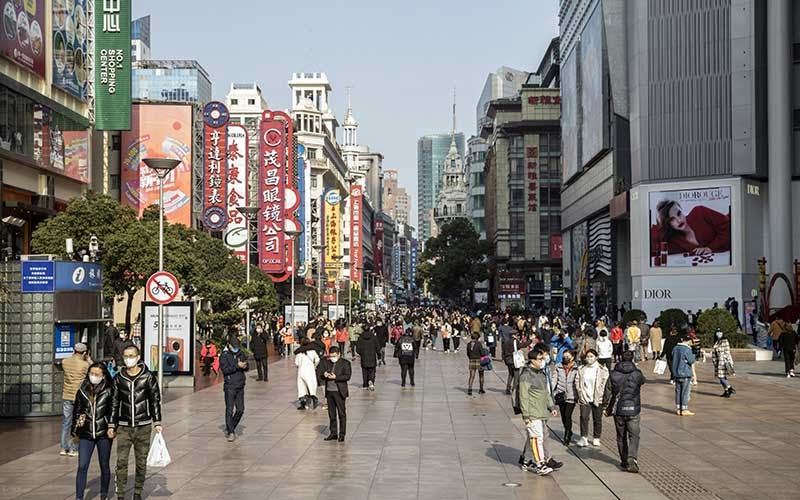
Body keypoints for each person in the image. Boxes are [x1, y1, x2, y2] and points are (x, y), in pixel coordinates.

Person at [110, 345, 162, 500]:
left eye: (131, 355)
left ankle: (137, 492)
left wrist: (157, 421)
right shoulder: (119, 378)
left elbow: (155, 400)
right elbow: (114, 403)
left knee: (141, 462)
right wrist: (112, 424)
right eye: (126, 356)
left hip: (143, 425)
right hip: (124, 427)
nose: (128, 359)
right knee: (121, 462)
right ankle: (120, 494)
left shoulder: (148, 377)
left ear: (138, 357)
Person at [515, 346, 561, 475]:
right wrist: (526, 415)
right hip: (532, 412)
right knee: (537, 438)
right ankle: (540, 464)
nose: (542, 361)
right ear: (532, 360)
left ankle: (526, 461)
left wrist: (551, 406)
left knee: (533, 438)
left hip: (541, 411)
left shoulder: (541, 373)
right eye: (540, 359)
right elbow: (523, 396)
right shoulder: (526, 375)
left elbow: (546, 393)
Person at [72, 362, 114, 500]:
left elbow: (113, 410)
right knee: (82, 465)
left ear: (103, 375)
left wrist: (112, 426)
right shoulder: (82, 390)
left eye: (97, 374)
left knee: (104, 465)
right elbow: (76, 411)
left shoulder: (109, 390)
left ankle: (104, 494)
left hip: (103, 433)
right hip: (86, 433)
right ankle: (79, 497)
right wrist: (75, 432)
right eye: (92, 374)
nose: (94, 376)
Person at [605, 350, 645, 473]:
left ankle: (624, 460)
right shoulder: (637, 374)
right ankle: (632, 458)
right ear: (632, 358)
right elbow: (642, 381)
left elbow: (607, 391)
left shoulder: (613, 374)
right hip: (633, 409)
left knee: (621, 436)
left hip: (618, 410)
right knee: (634, 435)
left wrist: (606, 407)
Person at [650, 199, 731, 256]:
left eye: (679, 214)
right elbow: (650, 247)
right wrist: (660, 223)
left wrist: (710, 248)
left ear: (682, 210)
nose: (679, 220)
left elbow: (729, 227)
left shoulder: (699, 212)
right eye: (672, 219)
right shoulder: (674, 240)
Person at [575, 349, 611, 447]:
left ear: (596, 357)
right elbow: (577, 382)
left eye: (591, 356)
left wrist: (602, 396)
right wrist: (581, 393)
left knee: (597, 419)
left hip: (597, 397)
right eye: (588, 357)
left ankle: (596, 437)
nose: (589, 358)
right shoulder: (581, 369)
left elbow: (605, 384)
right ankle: (584, 437)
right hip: (585, 397)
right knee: (584, 418)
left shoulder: (602, 369)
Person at [61, 343, 91, 457]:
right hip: (78, 397)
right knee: (78, 422)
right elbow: (94, 369)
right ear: (84, 353)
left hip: (67, 395)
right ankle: (74, 448)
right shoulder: (85, 365)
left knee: (66, 422)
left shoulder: (65, 362)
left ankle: (63, 448)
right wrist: (89, 360)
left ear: (74, 350)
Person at [320, 346, 351, 442]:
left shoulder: (345, 363)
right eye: (330, 356)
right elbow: (321, 373)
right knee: (331, 414)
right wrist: (324, 375)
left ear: (338, 354)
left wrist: (336, 377)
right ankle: (333, 433)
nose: (332, 358)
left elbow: (347, 376)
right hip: (329, 391)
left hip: (339, 391)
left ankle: (342, 434)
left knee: (341, 413)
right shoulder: (327, 362)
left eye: (334, 356)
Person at [219, 337, 249, 441]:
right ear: (229, 345)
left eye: (237, 346)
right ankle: (231, 431)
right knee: (229, 409)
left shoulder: (241, 353)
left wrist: (245, 366)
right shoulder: (224, 356)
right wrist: (237, 366)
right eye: (234, 346)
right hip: (230, 385)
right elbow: (225, 370)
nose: (236, 348)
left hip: (240, 385)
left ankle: (230, 426)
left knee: (240, 410)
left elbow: (247, 366)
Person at [552, 350, 578, 445]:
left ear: (572, 357)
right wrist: (551, 390)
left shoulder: (577, 368)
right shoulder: (558, 366)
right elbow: (554, 379)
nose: (565, 358)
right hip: (560, 395)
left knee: (568, 415)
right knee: (563, 416)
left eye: (567, 356)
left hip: (572, 395)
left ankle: (567, 435)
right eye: (564, 356)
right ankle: (568, 430)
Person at [671, 333, 696, 416]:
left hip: (676, 373)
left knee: (678, 391)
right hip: (685, 373)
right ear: (689, 340)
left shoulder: (675, 348)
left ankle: (679, 409)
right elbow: (691, 360)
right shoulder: (687, 349)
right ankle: (684, 409)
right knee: (685, 392)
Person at [502, 330, 532, 395]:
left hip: (508, 360)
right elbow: (522, 345)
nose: (518, 336)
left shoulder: (506, 342)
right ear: (514, 335)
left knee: (510, 374)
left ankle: (508, 388)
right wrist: (530, 341)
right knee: (516, 375)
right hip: (514, 360)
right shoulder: (515, 341)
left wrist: (504, 359)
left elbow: (503, 352)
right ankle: (514, 389)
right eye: (517, 335)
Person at [294, 338, 320, 410]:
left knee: (302, 388)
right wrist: (314, 365)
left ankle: (303, 404)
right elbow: (317, 359)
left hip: (301, 371)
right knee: (311, 386)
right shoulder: (313, 351)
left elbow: (297, 363)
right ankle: (314, 398)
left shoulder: (299, 352)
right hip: (310, 371)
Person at [712, 329, 736, 397]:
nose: (719, 333)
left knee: (721, 377)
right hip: (717, 362)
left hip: (723, 362)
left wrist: (722, 356)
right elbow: (714, 352)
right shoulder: (716, 342)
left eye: (720, 332)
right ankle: (726, 391)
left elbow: (727, 351)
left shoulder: (725, 341)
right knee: (721, 378)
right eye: (717, 332)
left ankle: (729, 387)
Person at [357, 326, 379, 391]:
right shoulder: (374, 337)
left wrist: (361, 353)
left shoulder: (360, 338)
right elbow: (377, 347)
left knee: (364, 371)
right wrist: (379, 356)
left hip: (364, 357)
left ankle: (365, 384)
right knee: (372, 370)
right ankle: (371, 380)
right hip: (372, 357)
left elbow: (357, 349)